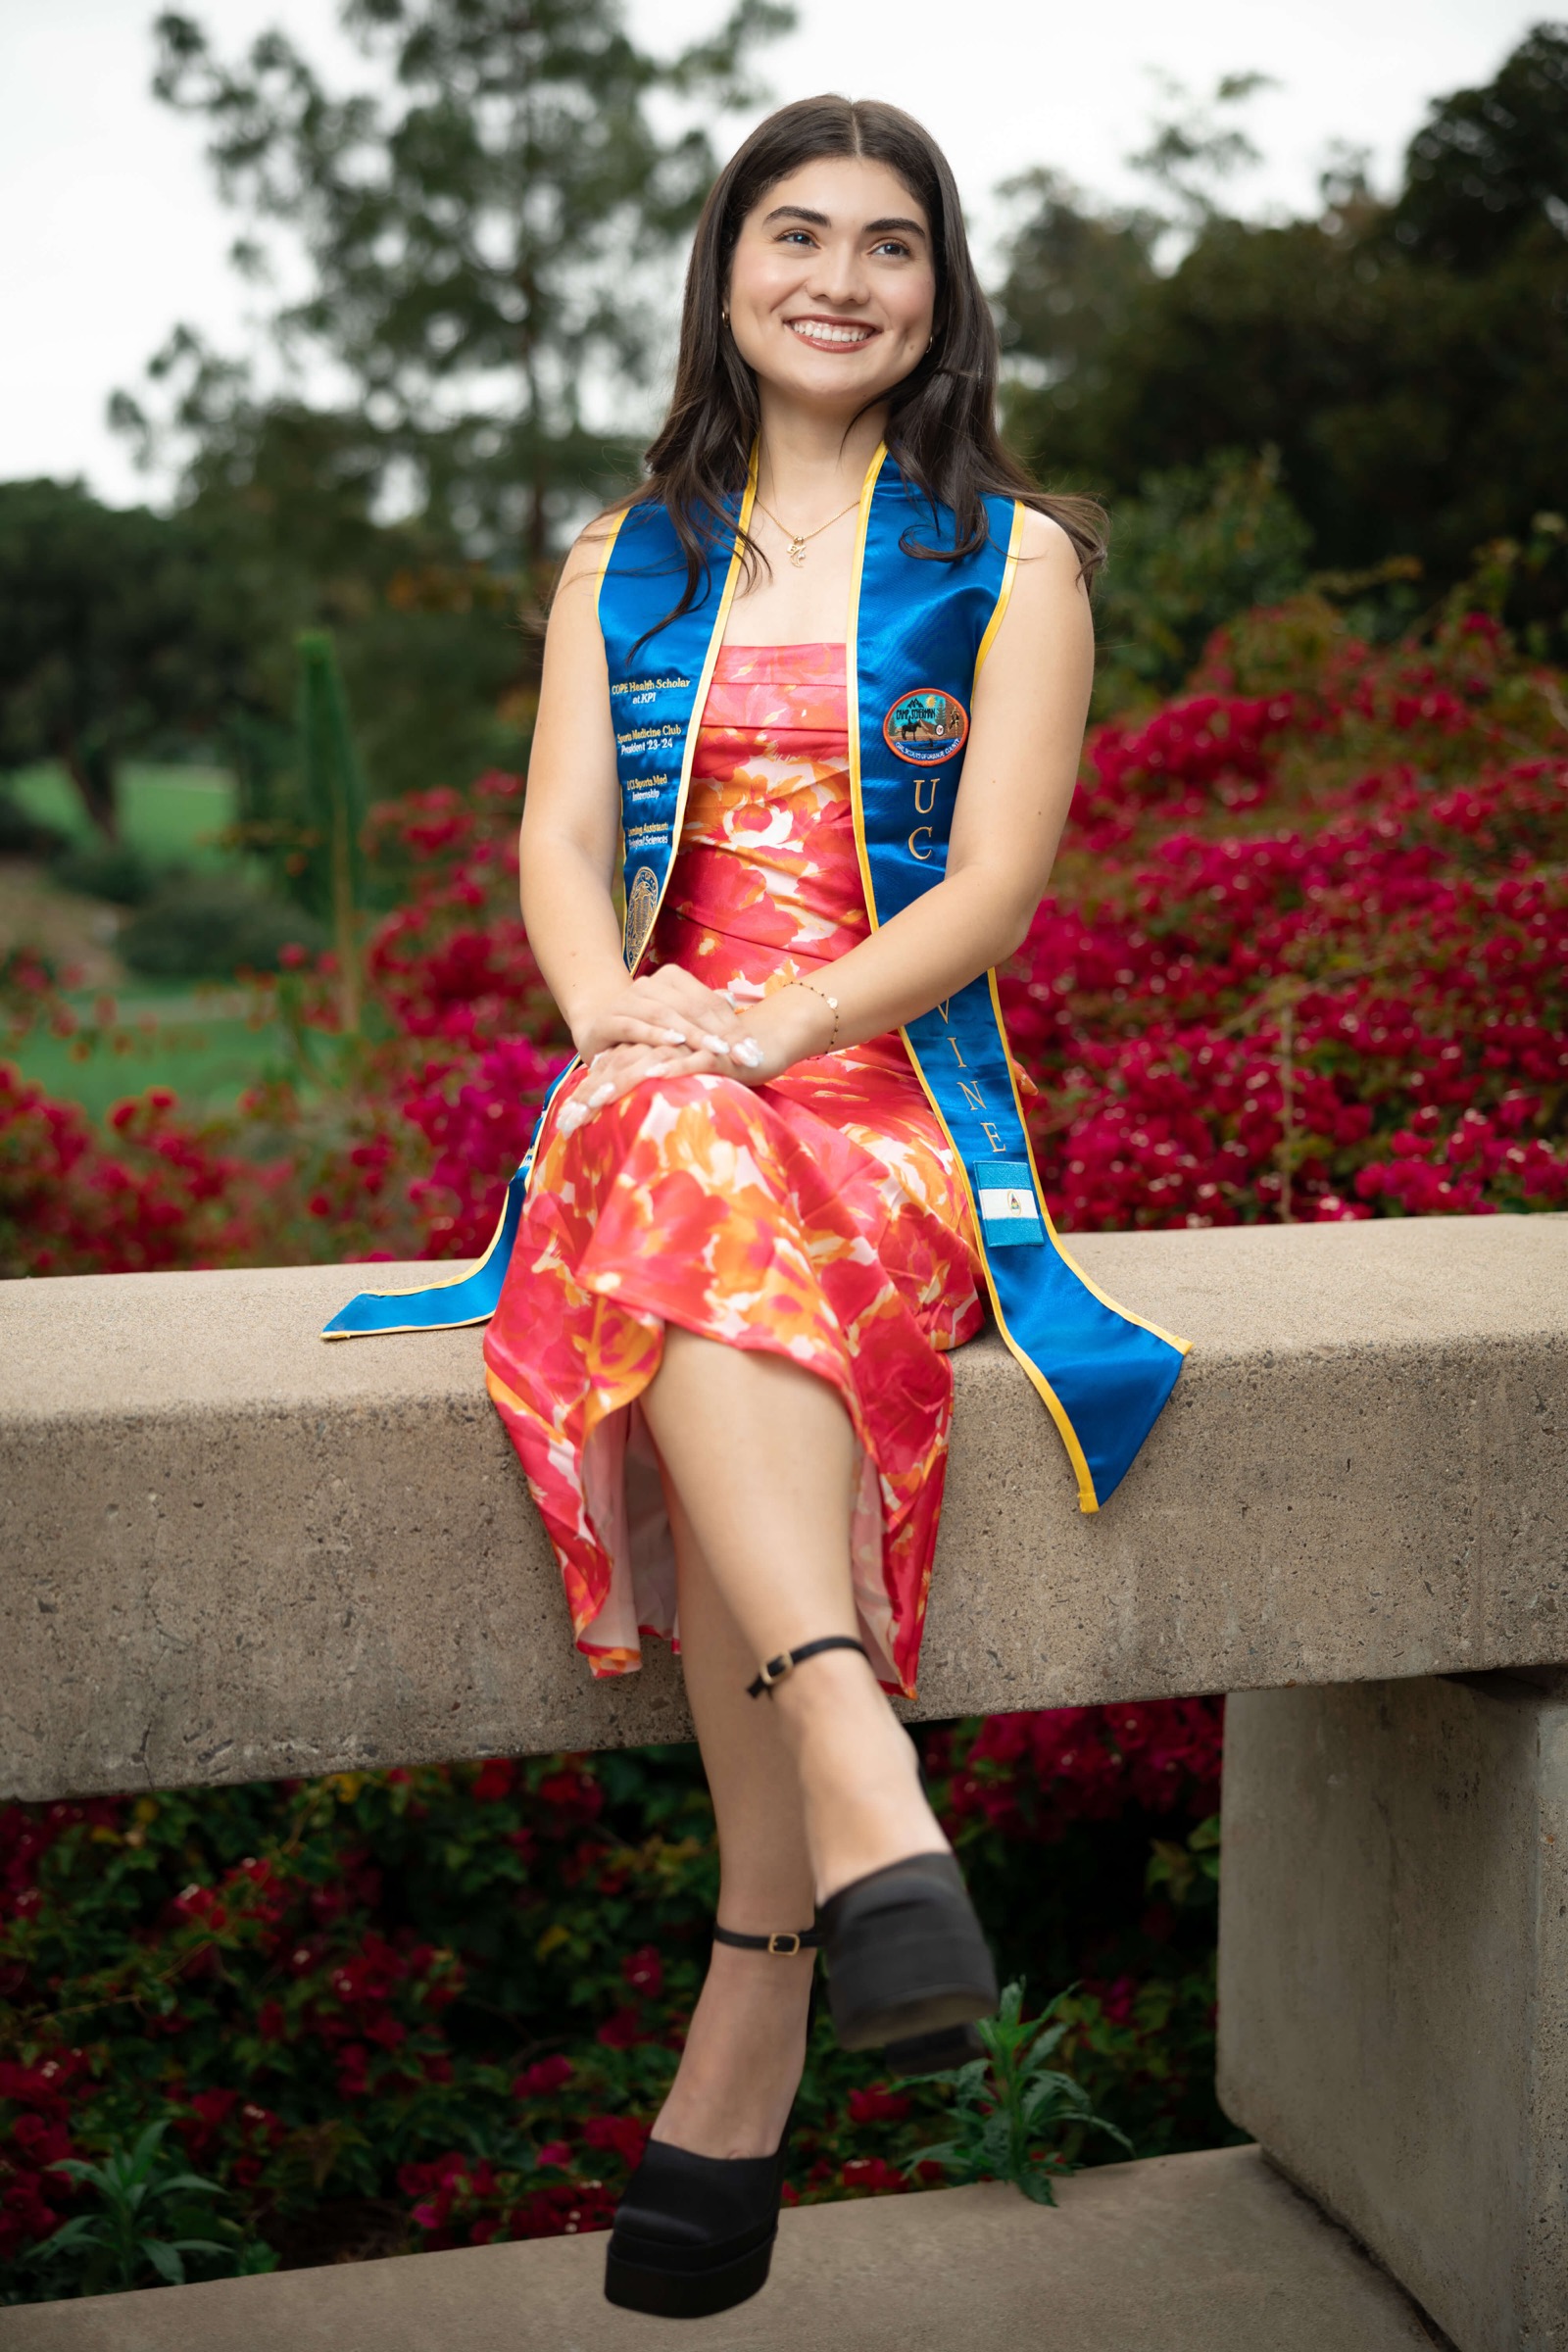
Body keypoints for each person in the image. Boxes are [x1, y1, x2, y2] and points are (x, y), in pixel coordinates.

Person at [329, 89, 1184, 2322]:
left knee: (691, 1192)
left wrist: (757, 1030)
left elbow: (990, 889)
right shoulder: (620, 559)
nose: (837, 276)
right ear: (723, 273)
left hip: (889, 1103)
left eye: (886, 243)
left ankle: (757, 1949)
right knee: (672, 1169)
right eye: (791, 234)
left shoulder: (1012, 558)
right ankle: (851, 1786)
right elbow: (552, 851)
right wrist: (624, 1018)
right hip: (663, 1082)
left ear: (938, 291)